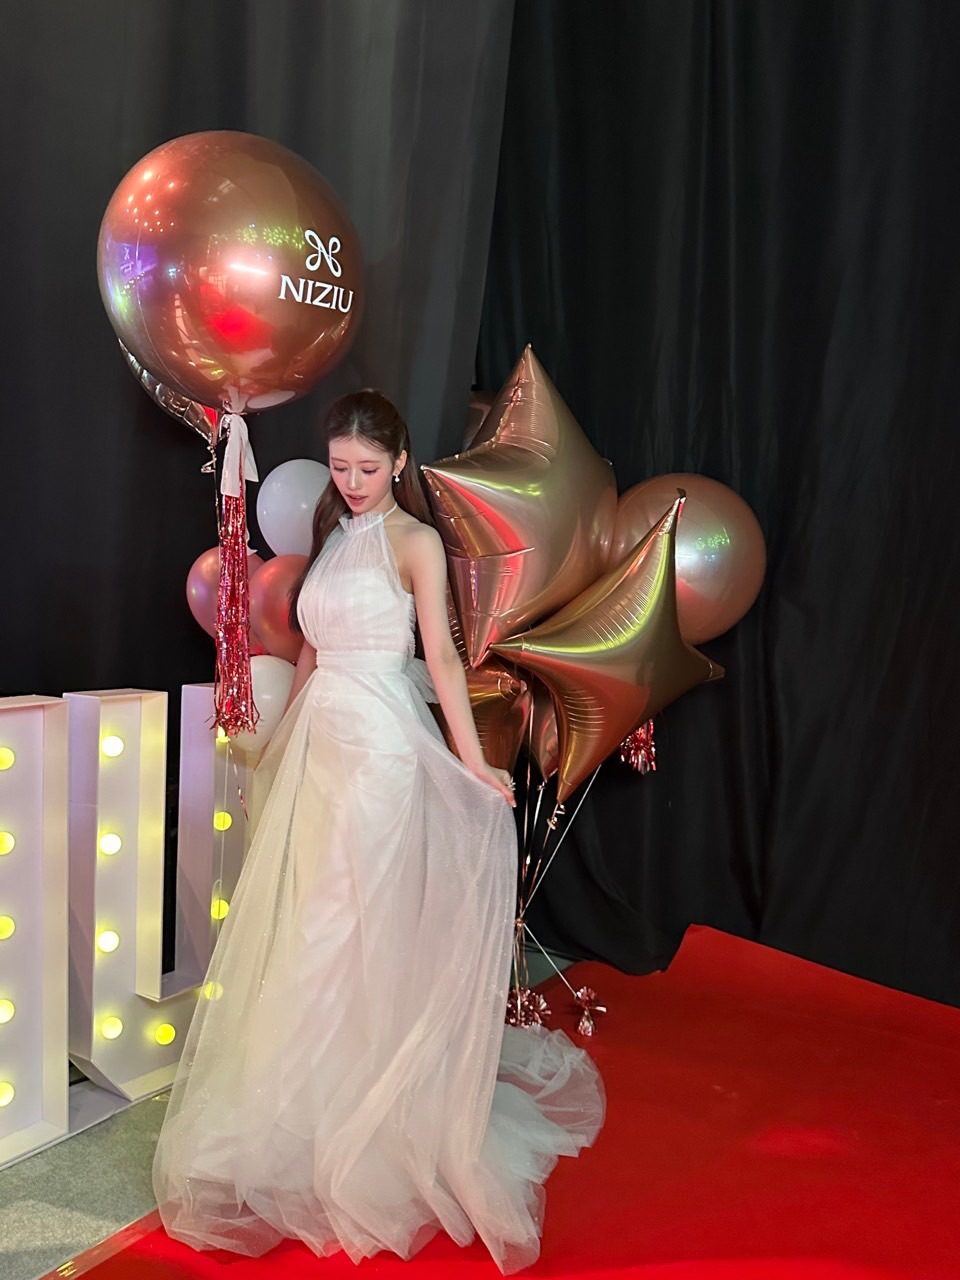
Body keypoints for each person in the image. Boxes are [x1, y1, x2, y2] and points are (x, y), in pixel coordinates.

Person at [152, 390, 605, 1274]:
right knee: (308, 924)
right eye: (340, 468)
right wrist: (282, 741)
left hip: (382, 750)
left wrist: (472, 762)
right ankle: (291, 1108)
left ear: (398, 462)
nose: (353, 482)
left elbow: (442, 657)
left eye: (367, 468)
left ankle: (357, 1121)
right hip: (323, 741)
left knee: (347, 922)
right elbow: (311, 650)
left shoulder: (416, 542)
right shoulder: (334, 535)